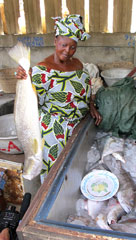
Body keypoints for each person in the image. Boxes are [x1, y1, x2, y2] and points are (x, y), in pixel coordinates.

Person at [15, 14, 102, 182]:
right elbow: (30, 105)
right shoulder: (42, 71)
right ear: (55, 41)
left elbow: (84, 89)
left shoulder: (77, 64)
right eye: (63, 45)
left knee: (75, 172)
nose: (67, 51)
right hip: (54, 133)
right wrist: (24, 81)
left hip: (77, 127)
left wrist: (90, 105)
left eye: (72, 47)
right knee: (55, 177)